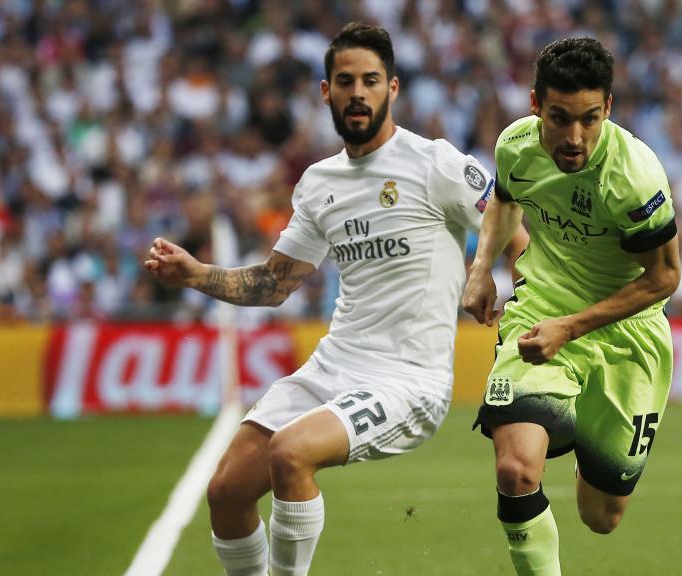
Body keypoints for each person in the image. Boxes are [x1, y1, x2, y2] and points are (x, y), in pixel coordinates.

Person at [145, 23, 523, 576]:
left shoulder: (435, 163)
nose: (358, 93)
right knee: (226, 491)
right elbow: (274, 284)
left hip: (408, 378)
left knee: (290, 454)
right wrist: (198, 274)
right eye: (345, 82)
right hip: (334, 365)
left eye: (371, 81)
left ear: (392, 89)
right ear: (326, 91)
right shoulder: (320, 182)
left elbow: (513, 226)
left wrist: (487, 272)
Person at [463, 37, 682, 576]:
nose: (574, 137)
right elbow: (506, 200)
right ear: (536, 104)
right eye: (560, 118)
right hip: (540, 314)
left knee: (602, 516)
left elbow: (665, 278)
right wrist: (481, 267)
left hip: (627, 333)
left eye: (589, 118)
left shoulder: (635, 178)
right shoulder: (516, 145)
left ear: (607, 107)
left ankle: (582, 426)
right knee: (516, 471)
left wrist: (574, 327)